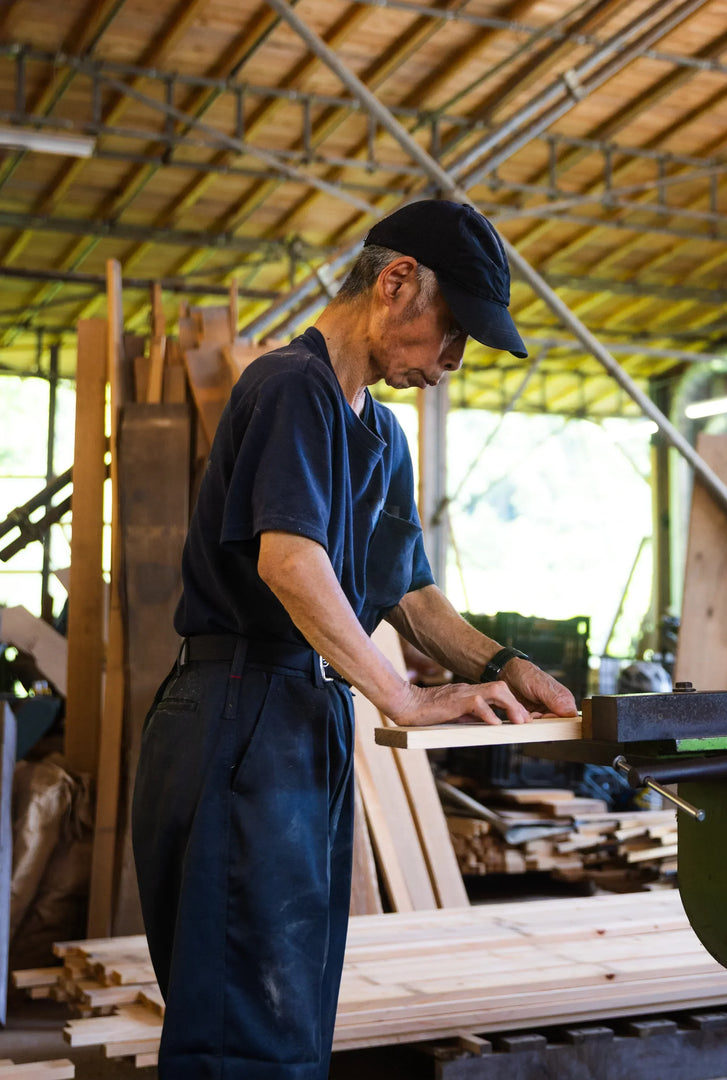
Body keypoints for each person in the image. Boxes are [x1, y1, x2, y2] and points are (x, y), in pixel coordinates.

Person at [131, 199, 578, 1080]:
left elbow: (411, 594)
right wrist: (405, 696)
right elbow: (291, 563)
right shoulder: (288, 387)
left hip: (300, 719)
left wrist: (506, 667)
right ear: (395, 282)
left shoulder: (379, 433)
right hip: (237, 713)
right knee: (243, 1030)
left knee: (292, 1011)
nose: (449, 365)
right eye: (451, 335)